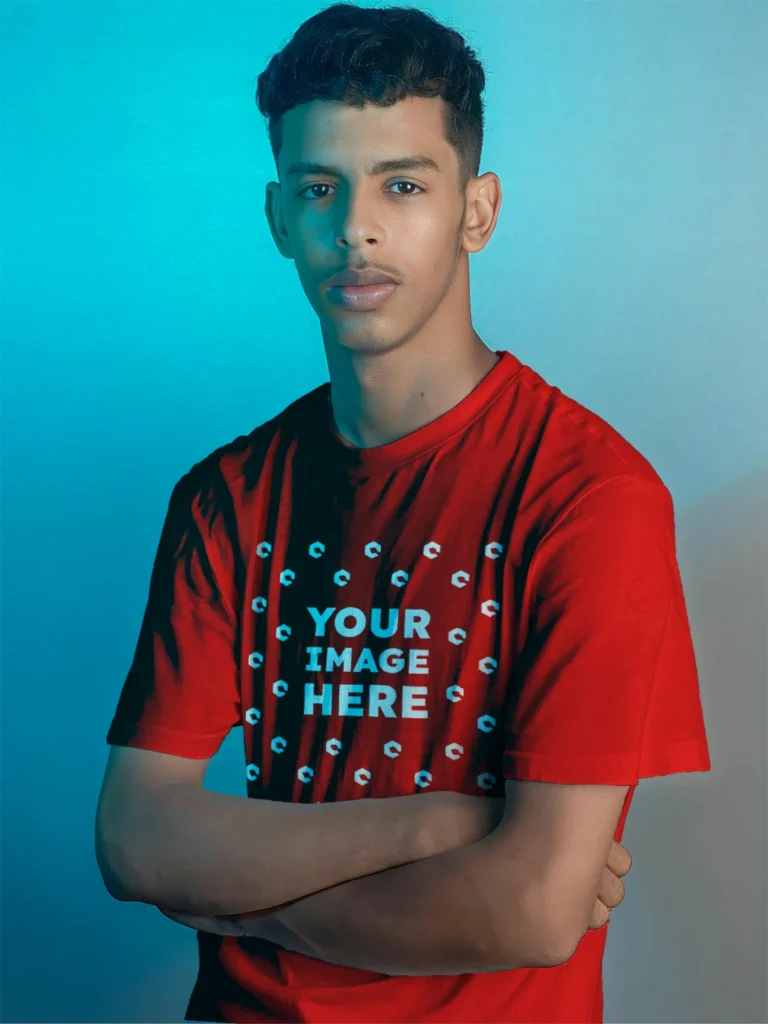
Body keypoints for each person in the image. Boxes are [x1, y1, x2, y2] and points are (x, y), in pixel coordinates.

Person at [95, 4, 711, 1021]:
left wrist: (236, 909)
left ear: (478, 209)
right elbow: (133, 840)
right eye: (320, 187)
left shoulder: (590, 498)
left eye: (404, 185)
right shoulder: (227, 496)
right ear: (279, 217)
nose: (358, 228)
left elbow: (532, 908)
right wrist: (435, 824)